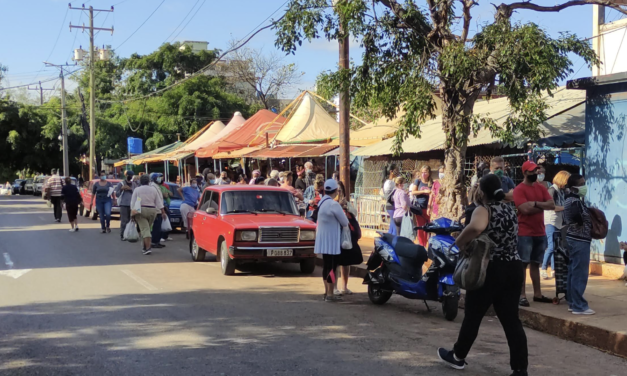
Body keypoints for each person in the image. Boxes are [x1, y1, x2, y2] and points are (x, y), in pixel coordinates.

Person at [438, 173, 528, 376]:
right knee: (511, 320)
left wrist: (458, 242)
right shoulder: (509, 209)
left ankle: (458, 356)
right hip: (513, 267)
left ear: (482, 191)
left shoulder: (484, 209)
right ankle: (520, 369)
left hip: (490, 268)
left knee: (473, 315)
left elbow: (476, 227)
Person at [513, 161, 555, 307]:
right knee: (523, 265)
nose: (536, 173)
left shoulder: (541, 188)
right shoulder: (519, 189)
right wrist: (541, 206)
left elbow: (551, 205)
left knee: (536, 264)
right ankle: (521, 295)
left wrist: (535, 204)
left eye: (536, 170)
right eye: (532, 171)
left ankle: (537, 294)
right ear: (524, 172)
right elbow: (524, 209)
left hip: (539, 231)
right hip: (524, 232)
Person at [563, 174, 595, 315]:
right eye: (581, 184)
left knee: (573, 271)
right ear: (575, 187)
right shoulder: (574, 202)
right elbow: (578, 218)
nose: (584, 186)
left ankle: (572, 301)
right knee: (579, 273)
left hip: (574, 239)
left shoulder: (571, 200)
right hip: (579, 239)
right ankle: (579, 305)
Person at [314, 179, 349, 302]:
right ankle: (330, 294)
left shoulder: (322, 203)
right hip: (332, 241)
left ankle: (326, 292)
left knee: (326, 267)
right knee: (332, 268)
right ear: (336, 191)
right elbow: (345, 222)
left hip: (323, 240)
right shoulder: (334, 205)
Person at [541, 170, 570, 279]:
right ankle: (543, 268)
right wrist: (565, 208)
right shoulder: (552, 190)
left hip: (559, 222)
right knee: (551, 246)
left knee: (557, 246)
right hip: (551, 221)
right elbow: (552, 207)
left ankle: (554, 269)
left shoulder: (562, 191)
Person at [336, 180, 361, 295]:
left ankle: (344, 287)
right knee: (335, 262)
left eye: (340, 190)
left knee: (346, 262)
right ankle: (334, 287)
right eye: (337, 190)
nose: (339, 192)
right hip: (336, 234)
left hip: (347, 235)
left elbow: (355, 213)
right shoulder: (330, 203)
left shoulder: (346, 202)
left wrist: (347, 207)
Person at [131, 174, 166, 255]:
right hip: (152, 211)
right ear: (149, 181)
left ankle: (148, 248)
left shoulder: (137, 189)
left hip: (140, 210)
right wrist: (163, 212)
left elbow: (133, 202)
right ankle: (144, 247)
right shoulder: (153, 189)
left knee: (145, 230)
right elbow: (159, 202)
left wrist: (132, 214)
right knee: (147, 229)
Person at [410, 165, 433, 246]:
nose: (423, 174)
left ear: (429, 173)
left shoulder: (431, 182)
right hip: (419, 207)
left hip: (429, 208)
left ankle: (429, 245)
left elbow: (433, 194)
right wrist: (424, 191)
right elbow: (413, 192)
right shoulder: (418, 181)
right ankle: (422, 245)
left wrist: (429, 207)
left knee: (429, 227)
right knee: (421, 227)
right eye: (422, 172)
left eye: (425, 172)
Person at [115, 170, 137, 241]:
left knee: (132, 220)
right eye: (129, 175)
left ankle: (129, 234)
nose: (130, 177)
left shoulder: (134, 184)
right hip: (123, 204)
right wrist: (121, 189)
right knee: (124, 220)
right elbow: (117, 194)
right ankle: (123, 235)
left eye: (131, 175)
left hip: (132, 204)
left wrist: (130, 189)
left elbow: (136, 193)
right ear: (126, 175)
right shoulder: (121, 184)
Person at [149, 173, 166, 249]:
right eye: (159, 178)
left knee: (158, 227)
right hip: (156, 209)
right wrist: (162, 210)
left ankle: (157, 241)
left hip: (159, 208)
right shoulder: (153, 187)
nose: (160, 179)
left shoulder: (156, 186)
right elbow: (157, 200)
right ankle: (154, 241)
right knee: (156, 227)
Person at [381, 165, 399, 235]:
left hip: (391, 206)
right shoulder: (389, 183)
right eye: (395, 170)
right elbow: (388, 196)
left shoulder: (390, 182)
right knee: (394, 227)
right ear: (391, 171)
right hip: (391, 205)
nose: (397, 172)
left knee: (392, 226)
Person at [158, 177, 173, 242]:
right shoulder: (157, 188)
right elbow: (164, 196)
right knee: (162, 221)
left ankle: (165, 235)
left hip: (167, 205)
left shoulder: (163, 187)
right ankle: (162, 236)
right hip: (163, 206)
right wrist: (166, 195)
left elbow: (170, 194)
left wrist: (167, 194)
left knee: (167, 221)